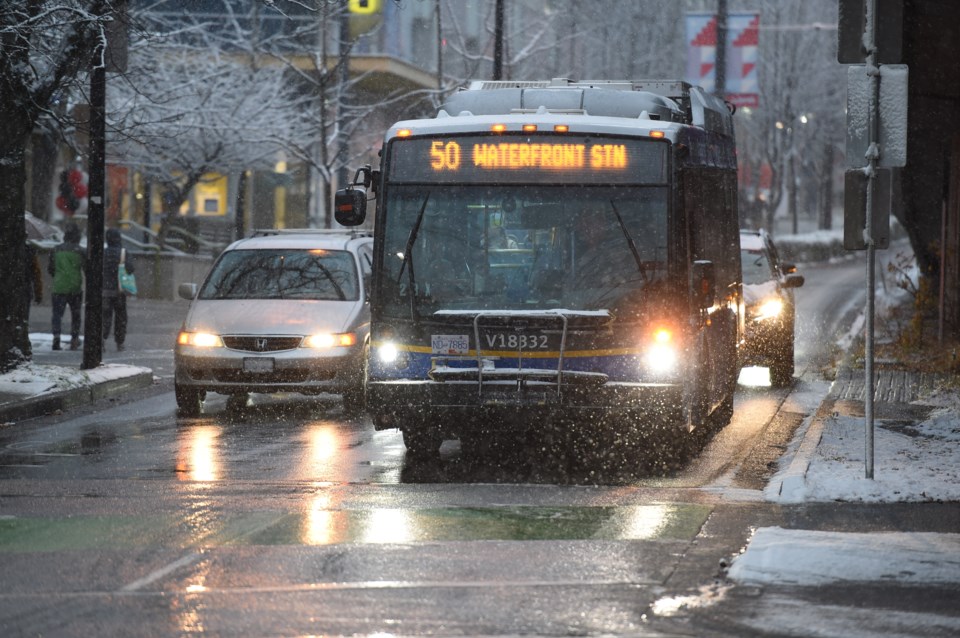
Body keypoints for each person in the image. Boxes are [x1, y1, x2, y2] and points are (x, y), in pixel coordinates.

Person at [48, 222, 86, 350]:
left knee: (57, 315)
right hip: (75, 287)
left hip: (59, 287)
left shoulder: (56, 250)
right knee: (76, 314)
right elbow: (86, 268)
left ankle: (56, 337)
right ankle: (74, 339)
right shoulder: (81, 251)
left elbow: (51, 269)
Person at [103, 228, 134, 351]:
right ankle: (119, 342)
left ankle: (102, 339)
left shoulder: (103, 252)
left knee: (105, 317)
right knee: (121, 317)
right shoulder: (123, 253)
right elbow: (130, 269)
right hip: (119, 291)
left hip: (104, 291)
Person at [23, 240, 43, 323]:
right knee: (24, 318)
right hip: (24, 290)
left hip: (6, 290)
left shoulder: (5, 249)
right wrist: (38, 293)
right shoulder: (29, 251)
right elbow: (37, 274)